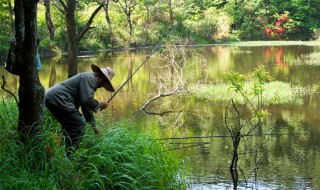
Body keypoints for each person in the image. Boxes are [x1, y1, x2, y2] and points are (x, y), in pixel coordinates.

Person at [45, 64, 115, 156]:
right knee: (78, 125)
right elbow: (86, 100)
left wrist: (93, 126)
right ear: (102, 78)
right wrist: (99, 105)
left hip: (53, 97)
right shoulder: (90, 79)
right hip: (59, 98)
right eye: (104, 84)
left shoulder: (89, 79)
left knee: (69, 126)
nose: (102, 86)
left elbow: (85, 105)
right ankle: (69, 155)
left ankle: (57, 152)